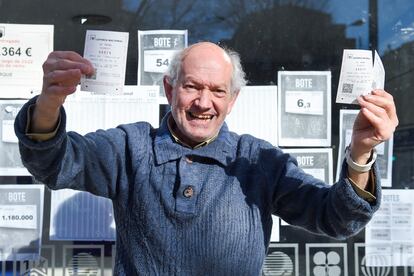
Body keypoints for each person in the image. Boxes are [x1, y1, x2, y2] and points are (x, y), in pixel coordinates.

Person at [14, 42, 398, 275]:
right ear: (169, 88)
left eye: (217, 90)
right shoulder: (131, 148)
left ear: (232, 100)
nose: (203, 102)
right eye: (192, 86)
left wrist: (361, 152)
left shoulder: (259, 160)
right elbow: (55, 161)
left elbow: (334, 217)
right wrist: (50, 101)